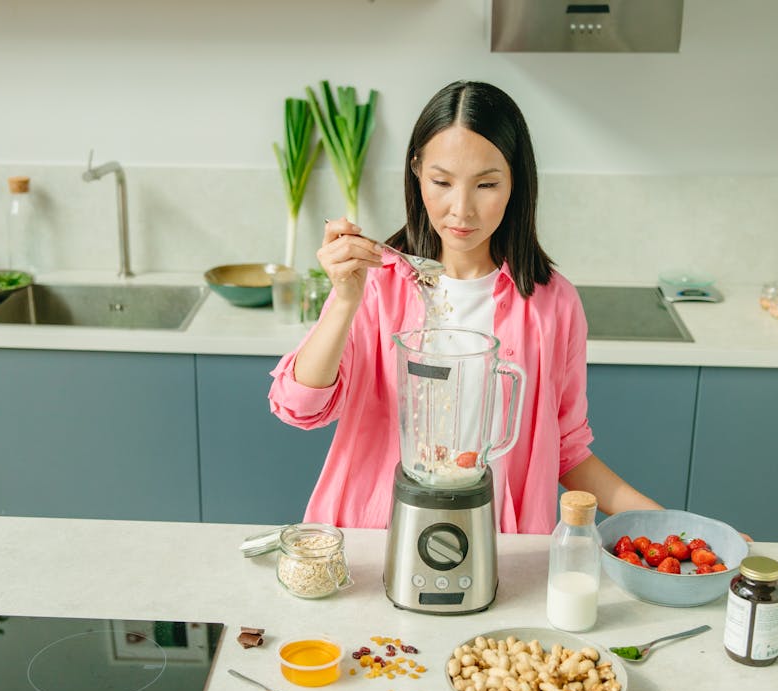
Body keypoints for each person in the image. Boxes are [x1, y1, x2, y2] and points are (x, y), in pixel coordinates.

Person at [268, 80, 664, 533]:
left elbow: (567, 449)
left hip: (497, 548)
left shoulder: (553, 304)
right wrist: (344, 300)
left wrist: (667, 528)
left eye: (487, 184)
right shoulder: (378, 286)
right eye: (441, 182)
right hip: (374, 538)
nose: (462, 210)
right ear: (416, 172)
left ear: (516, 181)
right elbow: (298, 405)